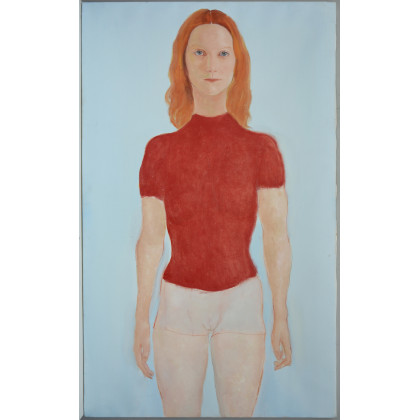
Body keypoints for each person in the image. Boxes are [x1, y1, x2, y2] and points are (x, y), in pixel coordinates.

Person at [134, 9, 292, 417]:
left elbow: (276, 236)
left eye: (223, 54)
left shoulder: (262, 149)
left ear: (238, 64)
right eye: (199, 53)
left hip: (242, 301)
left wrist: (281, 314)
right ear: (183, 64)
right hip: (178, 303)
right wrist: (141, 316)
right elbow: (150, 239)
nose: (211, 66)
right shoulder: (159, 151)